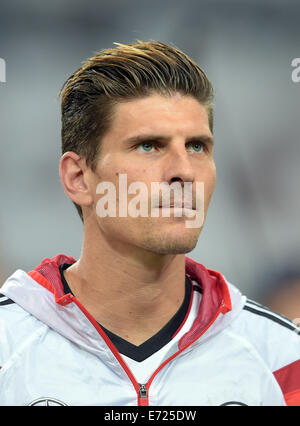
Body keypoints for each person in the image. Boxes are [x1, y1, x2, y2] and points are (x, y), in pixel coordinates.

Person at [0, 41, 299, 407]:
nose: (184, 171)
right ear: (78, 177)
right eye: (148, 146)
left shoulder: (283, 359)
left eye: (197, 146)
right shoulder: (7, 347)